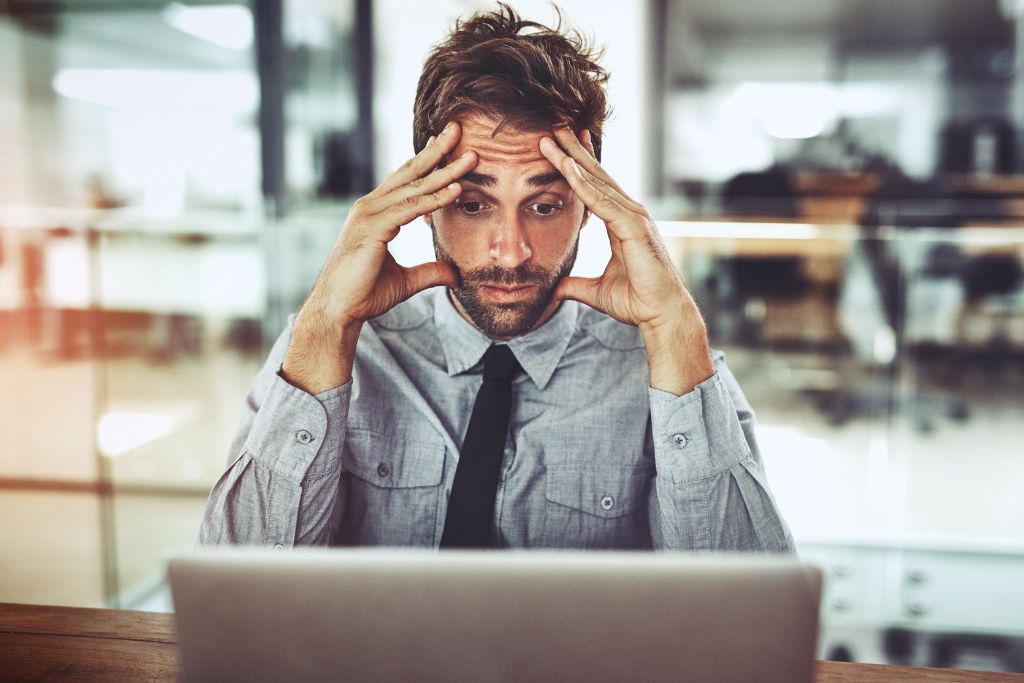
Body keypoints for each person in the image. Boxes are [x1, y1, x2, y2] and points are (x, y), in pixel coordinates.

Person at [199, 4, 793, 552]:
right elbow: (235, 583)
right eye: (473, 204)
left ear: (590, 207)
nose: (509, 254)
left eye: (544, 206)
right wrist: (327, 320)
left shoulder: (672, 367)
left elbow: (751, 620)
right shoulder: (327, 350)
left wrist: (675, 328)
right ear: (423, 200)